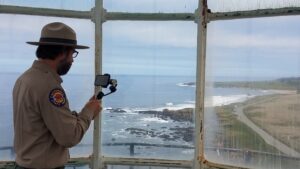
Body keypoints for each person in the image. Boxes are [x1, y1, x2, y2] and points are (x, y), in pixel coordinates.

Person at [13, 22, 101, 169]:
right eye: (72, 53)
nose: (73, 59)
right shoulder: (50, 87)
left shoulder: (24, 78)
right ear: (62, 52)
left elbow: (42, 120)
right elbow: (69, 137)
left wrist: (76, 115)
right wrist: (89, 112)